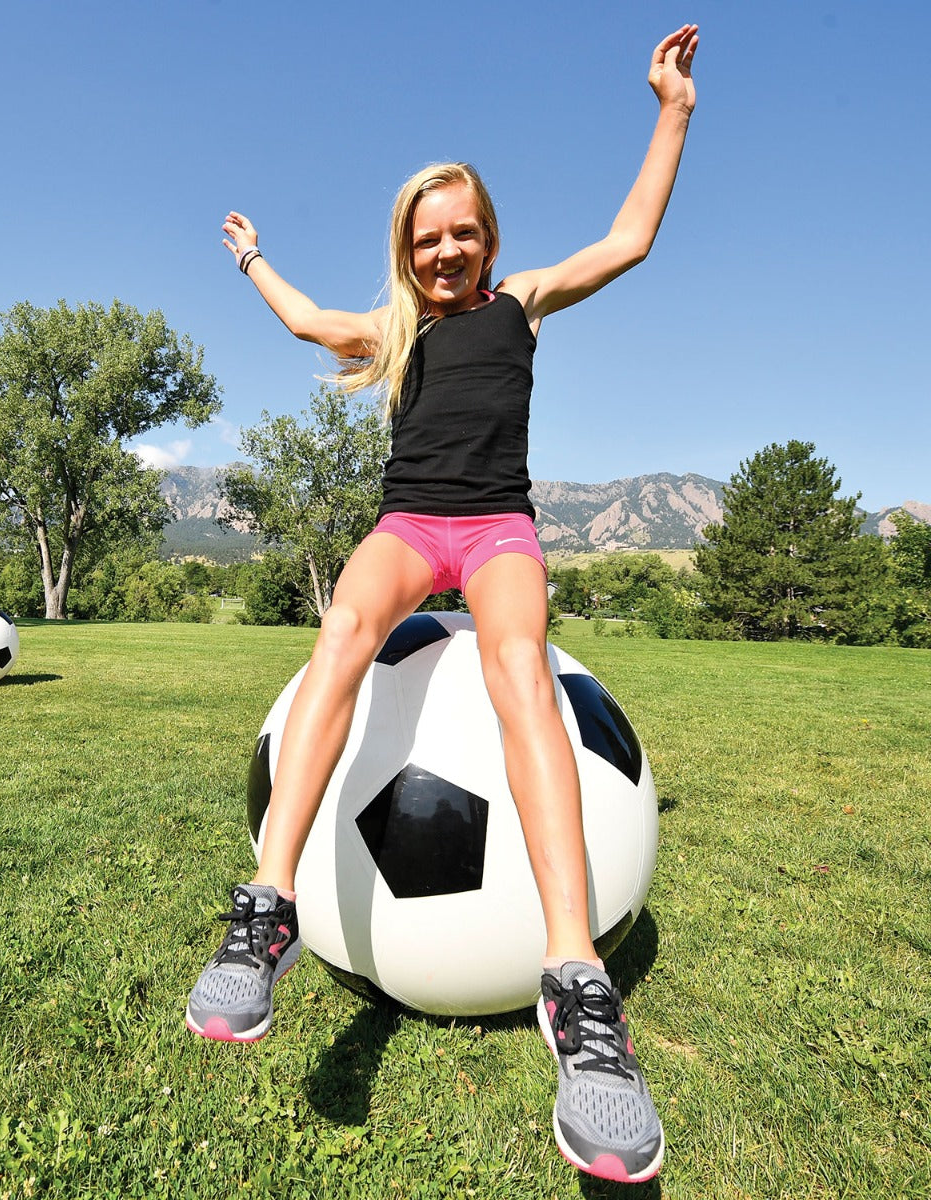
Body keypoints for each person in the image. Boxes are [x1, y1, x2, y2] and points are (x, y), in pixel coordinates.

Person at [187, 24, 698, 1185]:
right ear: (407, 251)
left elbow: (628, 240)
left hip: (500, 527)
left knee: (521, 668)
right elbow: (314, 322)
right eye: (428, 238)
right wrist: (252, 261)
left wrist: (671, 109)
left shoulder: (520, 303)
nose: (449, 250)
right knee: (346, 634)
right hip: (410, 526)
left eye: (464, 231)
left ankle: (575, 985)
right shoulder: (397, 330)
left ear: (490, 239)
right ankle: (266, 910)